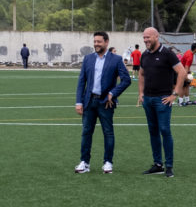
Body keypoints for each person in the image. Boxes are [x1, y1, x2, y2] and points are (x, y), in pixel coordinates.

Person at [74, 32, 131, 175]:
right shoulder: (88, 59)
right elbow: (82, 81)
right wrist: (79, 102)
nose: (96, 44)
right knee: (86, 132)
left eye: (99, 41)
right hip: (89, 102)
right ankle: (84, 162)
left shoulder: (116, 59)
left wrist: (113, 93)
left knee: (108, 133)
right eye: (94, 41)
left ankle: (107, 162)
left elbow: (126, 80)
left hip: (106, 103)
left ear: (106, 42)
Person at [138, 27, 186, 177]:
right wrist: (141, 93)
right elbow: (141, 74)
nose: (146, 40)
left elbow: (182, 72)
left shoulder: (167, 53)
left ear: (156, 37)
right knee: (153, 132)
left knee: (164, 131)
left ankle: (169, 165)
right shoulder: (144, 55)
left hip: (163, 100)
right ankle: (158, 164)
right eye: (144, 37)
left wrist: (174, 94)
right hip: (148, 100)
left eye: (148, 37)